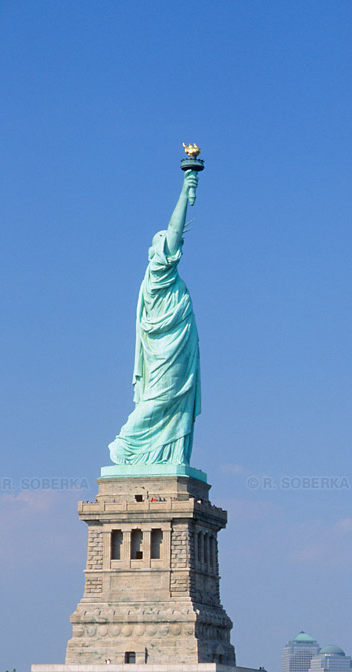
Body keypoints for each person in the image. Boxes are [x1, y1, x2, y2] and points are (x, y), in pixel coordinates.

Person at [109, 169, 201, 466]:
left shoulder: (172, 281)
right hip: (164, 352)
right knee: (160, 399)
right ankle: (126, 444)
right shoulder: (158, 275)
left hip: (179, 351)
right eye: (169, 244)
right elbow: (174, 232)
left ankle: (167, 456)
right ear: (158, 251)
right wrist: (185, 191)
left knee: (175, 404)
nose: (177, 248)